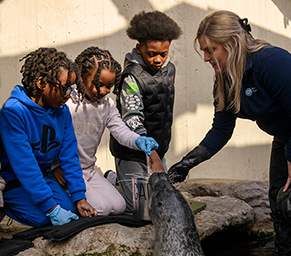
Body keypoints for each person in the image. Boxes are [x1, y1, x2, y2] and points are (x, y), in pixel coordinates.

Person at [168, 10, 291, 256]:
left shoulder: (270, 61)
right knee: (280, 202)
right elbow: (221, 130)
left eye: (211, 50)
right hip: (290, 133)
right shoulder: (225, 79)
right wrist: (188, 162)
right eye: (204, 51)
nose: (206, 58)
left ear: (231, 43)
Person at [51, 46, 161, 216]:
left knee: (119, 206)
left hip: (89, 169)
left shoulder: (106, 105)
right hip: (68, 171)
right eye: (98, 85)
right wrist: (55, 166)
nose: (103, 91)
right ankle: (62, 196)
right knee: (102, 208)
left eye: (109, 86)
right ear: (81, 77)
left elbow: (121, 131)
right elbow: (52, 138)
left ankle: (102, 181)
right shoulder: (68, 103)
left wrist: (138, 140)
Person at [0, 48, 97, 228]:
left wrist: (79, 197)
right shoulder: (13, 111)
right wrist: (50, 208)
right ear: (41, 83)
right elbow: (25, 165)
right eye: (64, 88)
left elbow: (69, 156)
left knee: (71, 209)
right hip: (13, 181)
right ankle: (6, 212)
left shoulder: (62, 112)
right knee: (42, 218)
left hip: (42, 178)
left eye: (71, 88)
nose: (68, 95)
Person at [110, 10, 182, 213]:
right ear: (139, 48)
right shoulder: (131, 77)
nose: (158, 59)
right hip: (132, 151)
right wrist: (153, 157)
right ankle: (112, 179)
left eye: (163, 54)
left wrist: (158, 154)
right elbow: (132, 118)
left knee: (160, 202)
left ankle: (124, 181)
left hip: (158, 148)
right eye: (152, 54)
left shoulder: (170, 70)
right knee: (140, 209)